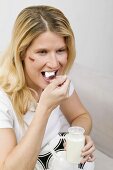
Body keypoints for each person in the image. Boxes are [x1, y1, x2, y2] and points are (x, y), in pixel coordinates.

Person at [0, 5, 95, 170]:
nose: (53, 63)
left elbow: (81, 115)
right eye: (42, 52)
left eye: (60, 50)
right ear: (21, 53)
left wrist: (78, 136)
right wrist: (44, 107)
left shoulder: (58, 82)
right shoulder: (3, 98)